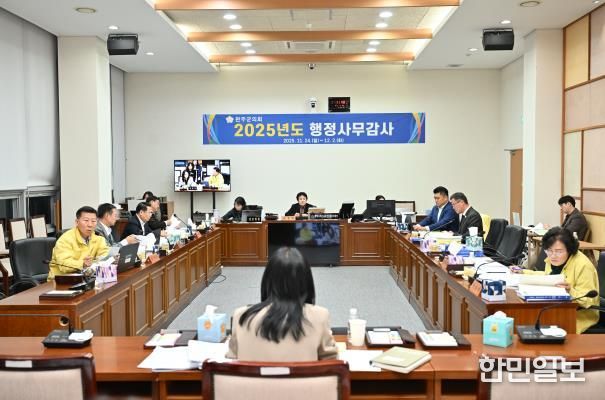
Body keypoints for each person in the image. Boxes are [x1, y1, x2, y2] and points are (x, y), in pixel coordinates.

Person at [226, 247, 337, 361]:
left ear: (267, 280)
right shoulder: (320, 316)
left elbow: (231, 357)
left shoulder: (242, 316)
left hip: (251, 374)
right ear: (306, 282)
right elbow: (331, 360)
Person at [516, 227, 599, 333]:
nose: (553, 256)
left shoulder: (583, 265)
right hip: (556, 308)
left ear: (569, 249)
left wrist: (570, 291)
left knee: (536, 325)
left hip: (579, 314)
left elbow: (589, 301)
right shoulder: (552, 260)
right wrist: (523, 272)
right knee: (527, 320)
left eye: (559, 251)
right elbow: (548, 276)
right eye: (549, 251)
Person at [48, 206, 108, 280]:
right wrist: (82, 263)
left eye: (93, 221)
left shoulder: (99, 239)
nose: (90, 224)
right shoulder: (65, 239)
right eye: (86, 220)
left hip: (85, 278)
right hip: (60, 281)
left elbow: (104, 257)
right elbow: (63, 266)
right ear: (77, 222)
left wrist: (111, 259)